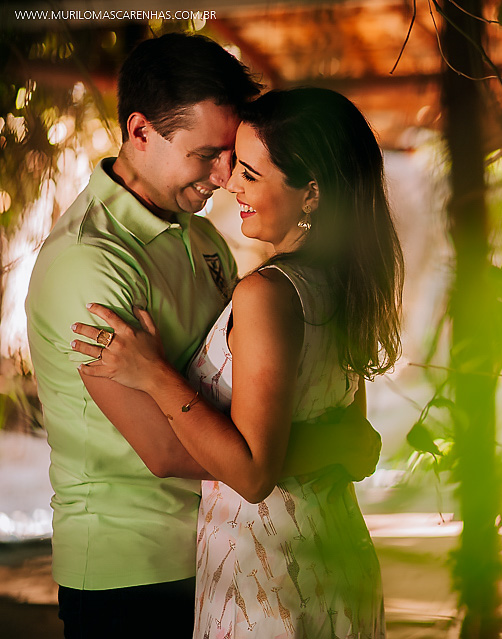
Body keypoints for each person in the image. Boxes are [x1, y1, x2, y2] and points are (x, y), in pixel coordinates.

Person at [26, 35, 379, 638]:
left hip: (230, 554)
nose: (224, 176)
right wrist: (330, 449)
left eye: (234, 155)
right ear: (140, 132)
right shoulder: (89, 263)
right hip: (136, 571)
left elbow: (266, 393)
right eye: (209, 153)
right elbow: (165, 451)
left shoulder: (204, 239)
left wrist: (315, 450)